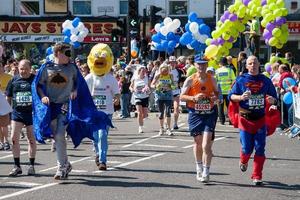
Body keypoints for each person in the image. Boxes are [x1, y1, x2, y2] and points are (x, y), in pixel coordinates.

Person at [228, 56, 278, 185]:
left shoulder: (265, 80)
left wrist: (273, 101)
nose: (253, 65)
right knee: (246, 148)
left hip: (260, 119)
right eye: (250, 63)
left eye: (255, 63)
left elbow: (274, 98)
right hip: (245, 119)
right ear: (246, 66)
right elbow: (231, 96)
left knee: (260, 148)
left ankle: (257, 176)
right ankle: (244, 160)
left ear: (259, 64)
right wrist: (241, 97)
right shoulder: (241, 80)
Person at [36, 43, 77, 179]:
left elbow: (78, 83)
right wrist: (43, 97)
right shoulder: (46, 68)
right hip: (51, 106)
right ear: (58, 53)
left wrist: (75, 90)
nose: (70, 56)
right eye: (67, 53)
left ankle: (61, 167)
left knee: (60, 134)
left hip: (65, 105)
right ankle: (66, 164)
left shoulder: (72, 68)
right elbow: (38, 86)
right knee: (56, 135)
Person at [180, 54, 219, 183]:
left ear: (207, 65)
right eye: (199, 64)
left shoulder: (212, 79)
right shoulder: (190, 80)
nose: (201, 66)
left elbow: (218, 95)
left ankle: (206, 172)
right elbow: (182, 96)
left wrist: (214, 98)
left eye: (204, 64)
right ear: (195, 65)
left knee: (206, 145)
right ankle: (199, 168)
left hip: (209, 113)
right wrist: (193, 98)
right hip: (195, 113)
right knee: (198, 143)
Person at [85, 43, 120, 171]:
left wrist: (117, 98)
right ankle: (97, 152)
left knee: (103, 135)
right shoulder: (89, 78)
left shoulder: (111, 78)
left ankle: (102, 160)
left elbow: (117, 93)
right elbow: (84, 94)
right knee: (95, 136)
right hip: (94, 112)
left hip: (107, 112)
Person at [6, 59, 37, 176]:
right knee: (14, 139)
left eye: (26, 69)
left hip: (31, 114)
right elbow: (8, 97)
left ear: (30, 69)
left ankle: (31, 165)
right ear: (18, 68)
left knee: (31, 140)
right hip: (17, 113)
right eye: (21, 69)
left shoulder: (35, 80)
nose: (23, 71)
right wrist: (7, 113)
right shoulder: (13, 80)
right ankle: (17, 166)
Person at [151, 64, 174, 136]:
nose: (165, 72)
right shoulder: (158, 75)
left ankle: (168, 129)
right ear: (160, 70)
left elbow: (173, 85)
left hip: (168, 96)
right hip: (160, 96)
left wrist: (171, 87)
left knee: (168, 112)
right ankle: (161, 128)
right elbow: (152, 84)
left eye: (166, 71)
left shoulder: (170, 75)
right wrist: (156, 86)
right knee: (161, 113)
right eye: (163, 71)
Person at [215, 57, 236, 125]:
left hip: (220, 92)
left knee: (220, 107)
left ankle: (222, 121)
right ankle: (230, 120)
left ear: (220, 63)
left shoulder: (217, 71)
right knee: (229, 106)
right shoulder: (230, 70)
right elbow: (234, 80)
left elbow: (215, 81)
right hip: (228, 91)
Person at [130, 65, 150, 133]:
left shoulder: (146, 78)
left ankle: (141, 120)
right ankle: (140, 127)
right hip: (137, 96)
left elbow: (149, 86)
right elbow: (130, 87)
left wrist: (147, 89)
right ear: (139, 72)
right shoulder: (135, 79)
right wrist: (132, 89)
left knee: (144, 114)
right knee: (139, 113)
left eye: (144, 71)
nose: (144, 72)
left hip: (145, 97)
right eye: (142, 71)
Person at [0, 62, 12, 150]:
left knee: (4, 124)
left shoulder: (9, 78)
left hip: (5, 103)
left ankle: (6, 141)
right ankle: (1, 142)